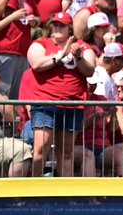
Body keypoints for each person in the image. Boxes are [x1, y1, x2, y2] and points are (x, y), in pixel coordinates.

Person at [21, 11, 96, 177]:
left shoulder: (83, 47)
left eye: (62, 25)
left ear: (69, 28)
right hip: (44, 104)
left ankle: (66, 194)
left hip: (72, 104)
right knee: (41, 148)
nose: (57, 27)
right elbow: (36, 64)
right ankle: (34, 188)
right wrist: (60, 56)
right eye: (55, 24)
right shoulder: (40, 44)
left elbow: (90, 71)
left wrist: (78, 58)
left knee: (66, 152)